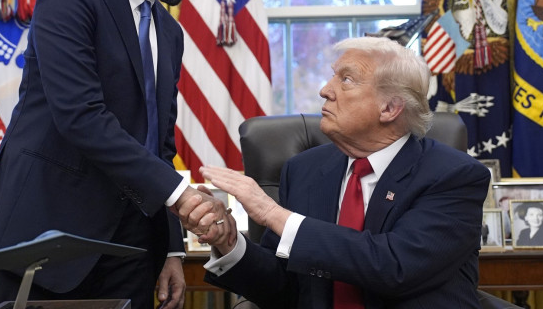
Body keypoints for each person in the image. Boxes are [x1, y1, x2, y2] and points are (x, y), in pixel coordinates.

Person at [0, 0, 238, 309]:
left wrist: (170, 248)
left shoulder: (170, 33)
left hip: (133, 247)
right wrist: (181, 195)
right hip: (53, 234)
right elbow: (80, 115)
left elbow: (159, 142)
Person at [192, 36, 491, 308]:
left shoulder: (455, 176)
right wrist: (228, 242)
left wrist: (273, 214)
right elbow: (282, 287)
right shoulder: (304, 170)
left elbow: (395, 267)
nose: (325, 90)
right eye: (332, 75)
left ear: (389, 108)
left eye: (346, 79)